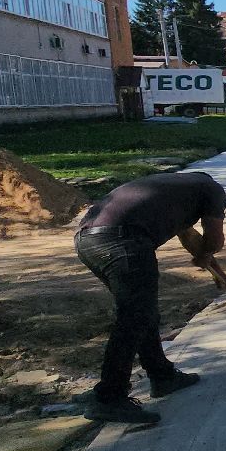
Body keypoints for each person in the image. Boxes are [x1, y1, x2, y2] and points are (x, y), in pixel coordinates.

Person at [74, 172, 218, 425]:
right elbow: (214, 239)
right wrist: (208, 255)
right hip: (122, 240)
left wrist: (217, 271)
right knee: (134, 316)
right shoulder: (213, 190)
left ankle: (162, 376)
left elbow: (190, 237)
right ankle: (109, 398)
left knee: (141, 311)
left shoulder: (175, 189)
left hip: (88, 240)